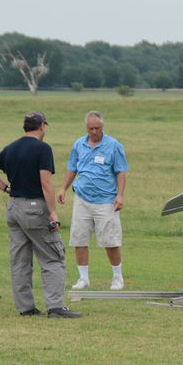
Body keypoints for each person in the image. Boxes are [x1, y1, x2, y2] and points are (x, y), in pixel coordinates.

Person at [0, 111, 81, 318]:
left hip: (14, 208)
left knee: (20, 260)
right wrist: (53, 212)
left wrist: (7, 189)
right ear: (42, 126)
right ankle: (55, 307)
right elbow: (46, 182)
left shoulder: (12, 147)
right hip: (35, 208)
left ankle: (25, 307)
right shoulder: (42, 149)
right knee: (53, 257)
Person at [57, 110, 128, 290]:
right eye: (90, 128)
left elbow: (120, 171)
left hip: (106, 200)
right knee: (79, 239)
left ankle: (117, 277)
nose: (94, 132)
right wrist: (63, 188)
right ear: (86, 127)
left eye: (97, 128)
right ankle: (83, 278)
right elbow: (72, 168)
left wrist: (120, 195)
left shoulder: (114, 145)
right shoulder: (78, 144)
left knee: (110, 241)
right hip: (82, 198)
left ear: (102, 127)